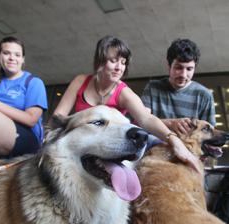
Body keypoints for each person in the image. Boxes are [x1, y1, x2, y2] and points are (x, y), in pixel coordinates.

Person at [53, 35, 201, 173]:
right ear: (100, 61)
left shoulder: (123, 92)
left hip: (112, 148)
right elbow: (58, 117)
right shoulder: (80, 81)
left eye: (123, 62)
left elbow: (146, 119)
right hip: (84, 147)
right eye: (113, 61)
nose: (119, 67)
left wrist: (175, 141)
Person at [141, 38, 216, 135]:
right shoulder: (152, 88)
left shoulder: (204, 95)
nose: (183, 75)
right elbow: (141, 121)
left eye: (189, 69)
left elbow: (209, 134)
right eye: (178, 67)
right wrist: (171, 123)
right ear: (168, 65)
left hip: (189, 149)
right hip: (156, 147)